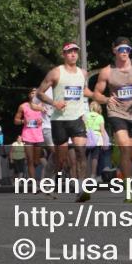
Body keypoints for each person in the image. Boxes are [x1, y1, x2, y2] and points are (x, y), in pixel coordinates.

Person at [93, 38, 132, 203]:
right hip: (117, 113)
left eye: (127, 49)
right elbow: (96, 93)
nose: (124, 52)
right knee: (126, 149)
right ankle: (128, 192)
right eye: (121, 49)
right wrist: (106, 100)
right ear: (114, 50)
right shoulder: (107, 71)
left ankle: (115, 170)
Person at [37, 41, 92, 199]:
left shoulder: (83, 73)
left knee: (81, 152)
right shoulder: (55, 72)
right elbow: (40, 93)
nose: (73, 54)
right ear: (64, 54)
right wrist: (54, 103)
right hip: (59, 120)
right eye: (69, 52)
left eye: (75, 51)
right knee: (60, 159)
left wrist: (96, 96)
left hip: (77, 118)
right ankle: (47, 181)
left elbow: (84, 91)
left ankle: (82, 189)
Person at [14, 89, 45, 182]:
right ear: (29, 95)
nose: (34, 94)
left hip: (39, 136)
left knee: (36, 161)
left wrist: (42, 120)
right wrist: (23, 121)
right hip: (27, 136)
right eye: (32, 93)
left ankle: (30, 173)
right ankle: (34, 182)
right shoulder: (23, 106)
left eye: (36, 93)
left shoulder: (43, 106)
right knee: (30, 160)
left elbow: (49, 117)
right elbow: (16, 120)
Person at [84, 101, 109, 179]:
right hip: (97, 138)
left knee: (84, 157)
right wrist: (105, 142)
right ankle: (93, 174)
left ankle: (84, 174)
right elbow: (102, 130)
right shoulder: (100, 117)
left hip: (86, 137)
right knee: (95, 157)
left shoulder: (85, 115)